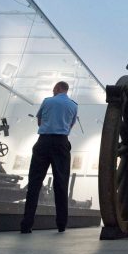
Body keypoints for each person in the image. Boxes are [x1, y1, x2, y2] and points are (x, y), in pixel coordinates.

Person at [20, 81, 77, 233]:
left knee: (34, 183)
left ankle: (26, 224)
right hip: (61, 143)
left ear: (58, 88)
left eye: (54, 89)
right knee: (61, 183)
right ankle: (61, 224)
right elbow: (70, 126)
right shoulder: (73, 105)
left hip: (44, 141)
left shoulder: (47, 101)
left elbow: (39, 122)